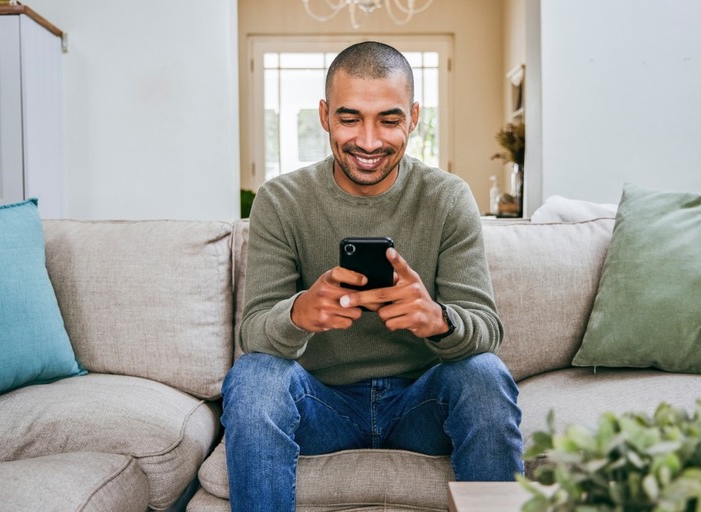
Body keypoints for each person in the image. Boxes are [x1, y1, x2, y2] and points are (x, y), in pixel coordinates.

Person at [221, 41, 523, 511]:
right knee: (254, 376)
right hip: (321, 409)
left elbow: (487, 331)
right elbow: (254, 333)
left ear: (414, 117)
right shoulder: (281, 201)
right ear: (324, 115)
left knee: (483, 374)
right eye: (349, 118)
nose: (368, 141)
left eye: (389, 119)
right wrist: (298, 314)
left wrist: (439, 321)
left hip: (421, 408)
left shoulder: (446, 198)